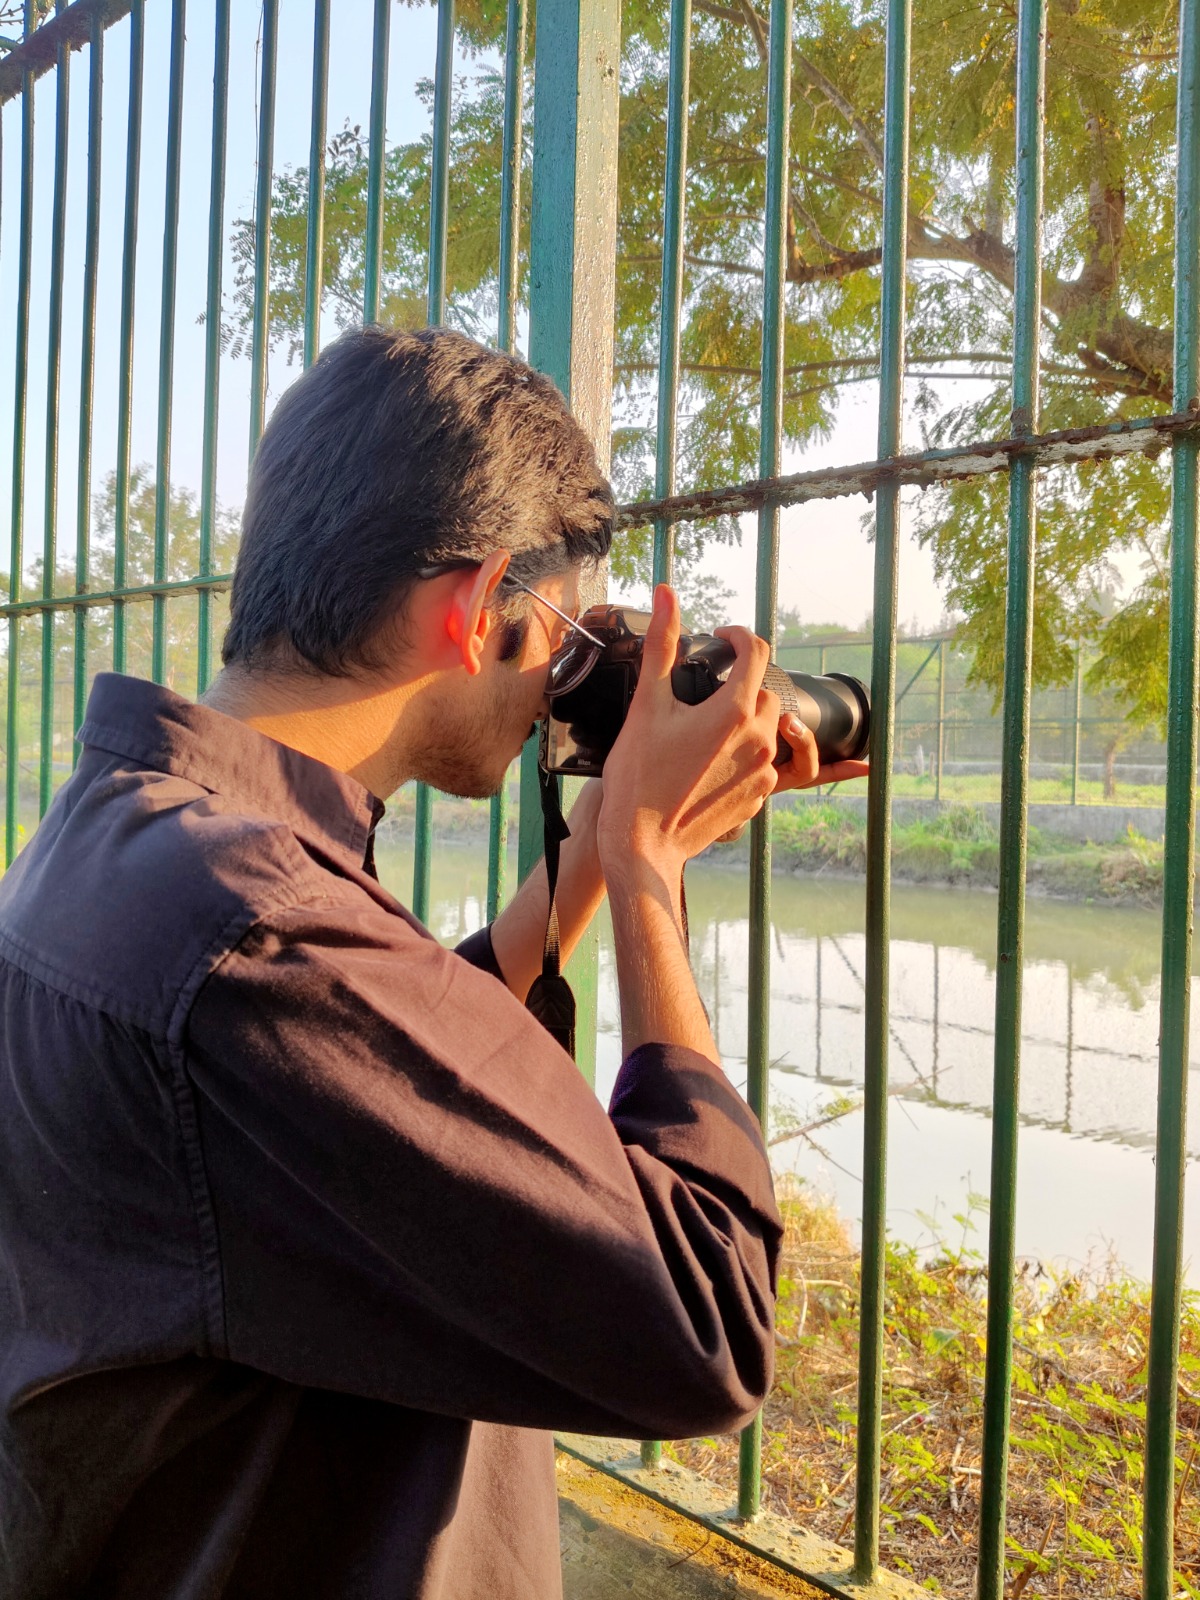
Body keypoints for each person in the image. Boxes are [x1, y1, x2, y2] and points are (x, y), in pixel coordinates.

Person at [0, 325, 867, 1600]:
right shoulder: (263, 937)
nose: (553, 685)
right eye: (560, 635)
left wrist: (585, 851)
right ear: (473, 608)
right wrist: (645, 863)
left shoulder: (129, 835)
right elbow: (708, 1321)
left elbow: (369, 1084)